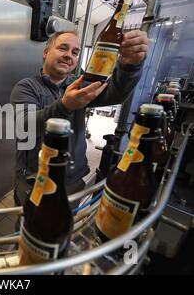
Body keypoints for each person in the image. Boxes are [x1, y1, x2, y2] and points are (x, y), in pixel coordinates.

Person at [10, 30, 149, 207]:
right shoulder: (27, 87)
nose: (69, 55)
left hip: (72, 179)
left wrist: (130, 66)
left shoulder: (81, 86)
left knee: (63, 224)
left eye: (75, 52)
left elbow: (116, 93)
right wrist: (64, 106)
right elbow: (26, 125)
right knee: (28, 224)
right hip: (34, 179)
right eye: (63, 48)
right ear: (46, 53)